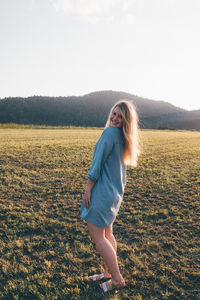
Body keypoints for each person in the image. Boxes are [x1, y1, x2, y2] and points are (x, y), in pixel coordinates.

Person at [80, 100, 140, 293]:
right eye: (114, 113)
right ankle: (108, 273)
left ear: (125, 121)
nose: (114, 118)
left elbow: (96, 165)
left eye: (120, 116)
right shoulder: (123, 137)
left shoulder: (109, 133)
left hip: (102, 193)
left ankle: (117, 279)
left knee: (98, 237)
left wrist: (88, 188)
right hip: (114, 194)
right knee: (107, 234)